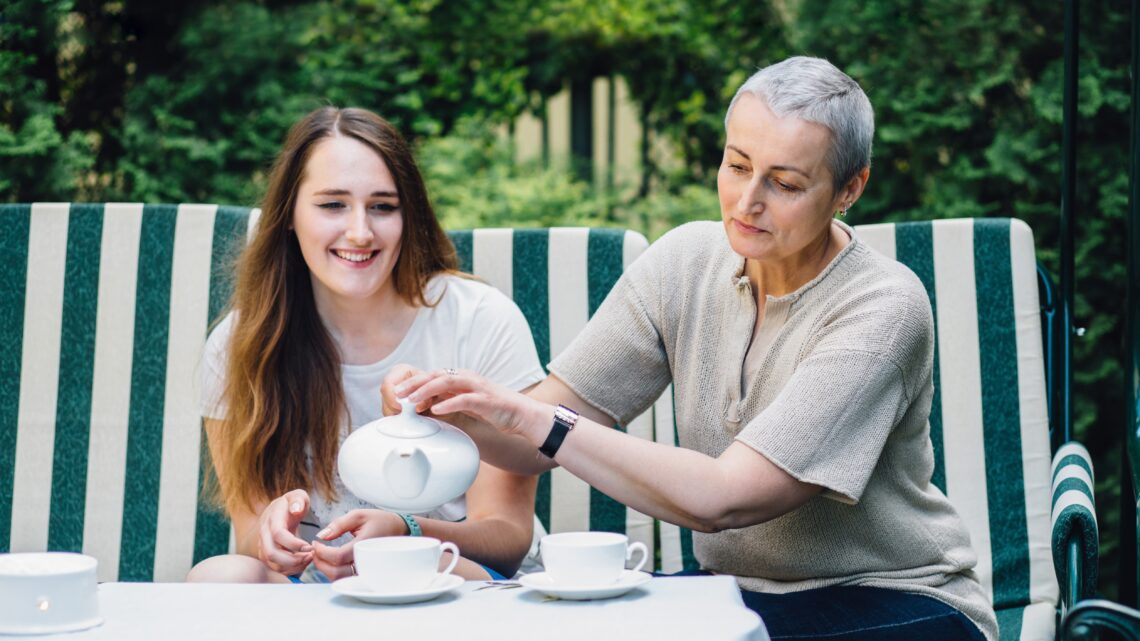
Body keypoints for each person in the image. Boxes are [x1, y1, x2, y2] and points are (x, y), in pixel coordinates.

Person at [386, 57, 997, 640]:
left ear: (849, 189)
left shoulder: (882, 309)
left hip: (896, 600)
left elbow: (725, 498)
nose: (747, 200)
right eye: (736, 165)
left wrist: (533, 415)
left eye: (784, 183)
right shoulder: (685, 262)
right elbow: (529, 449)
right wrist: (453, 411)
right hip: (734, 592)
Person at [187, 106, 544, 585]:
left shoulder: (480, 320)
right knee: (221, 576)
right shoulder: (239, 344)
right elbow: (251, 536)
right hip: (320, 587)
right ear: (289, 215)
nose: (360, 231)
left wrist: (404, 534)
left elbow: (507, 538)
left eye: (383, 206)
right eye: (333, 205)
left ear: (407, 217)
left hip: (455, 576)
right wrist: (275, 532)